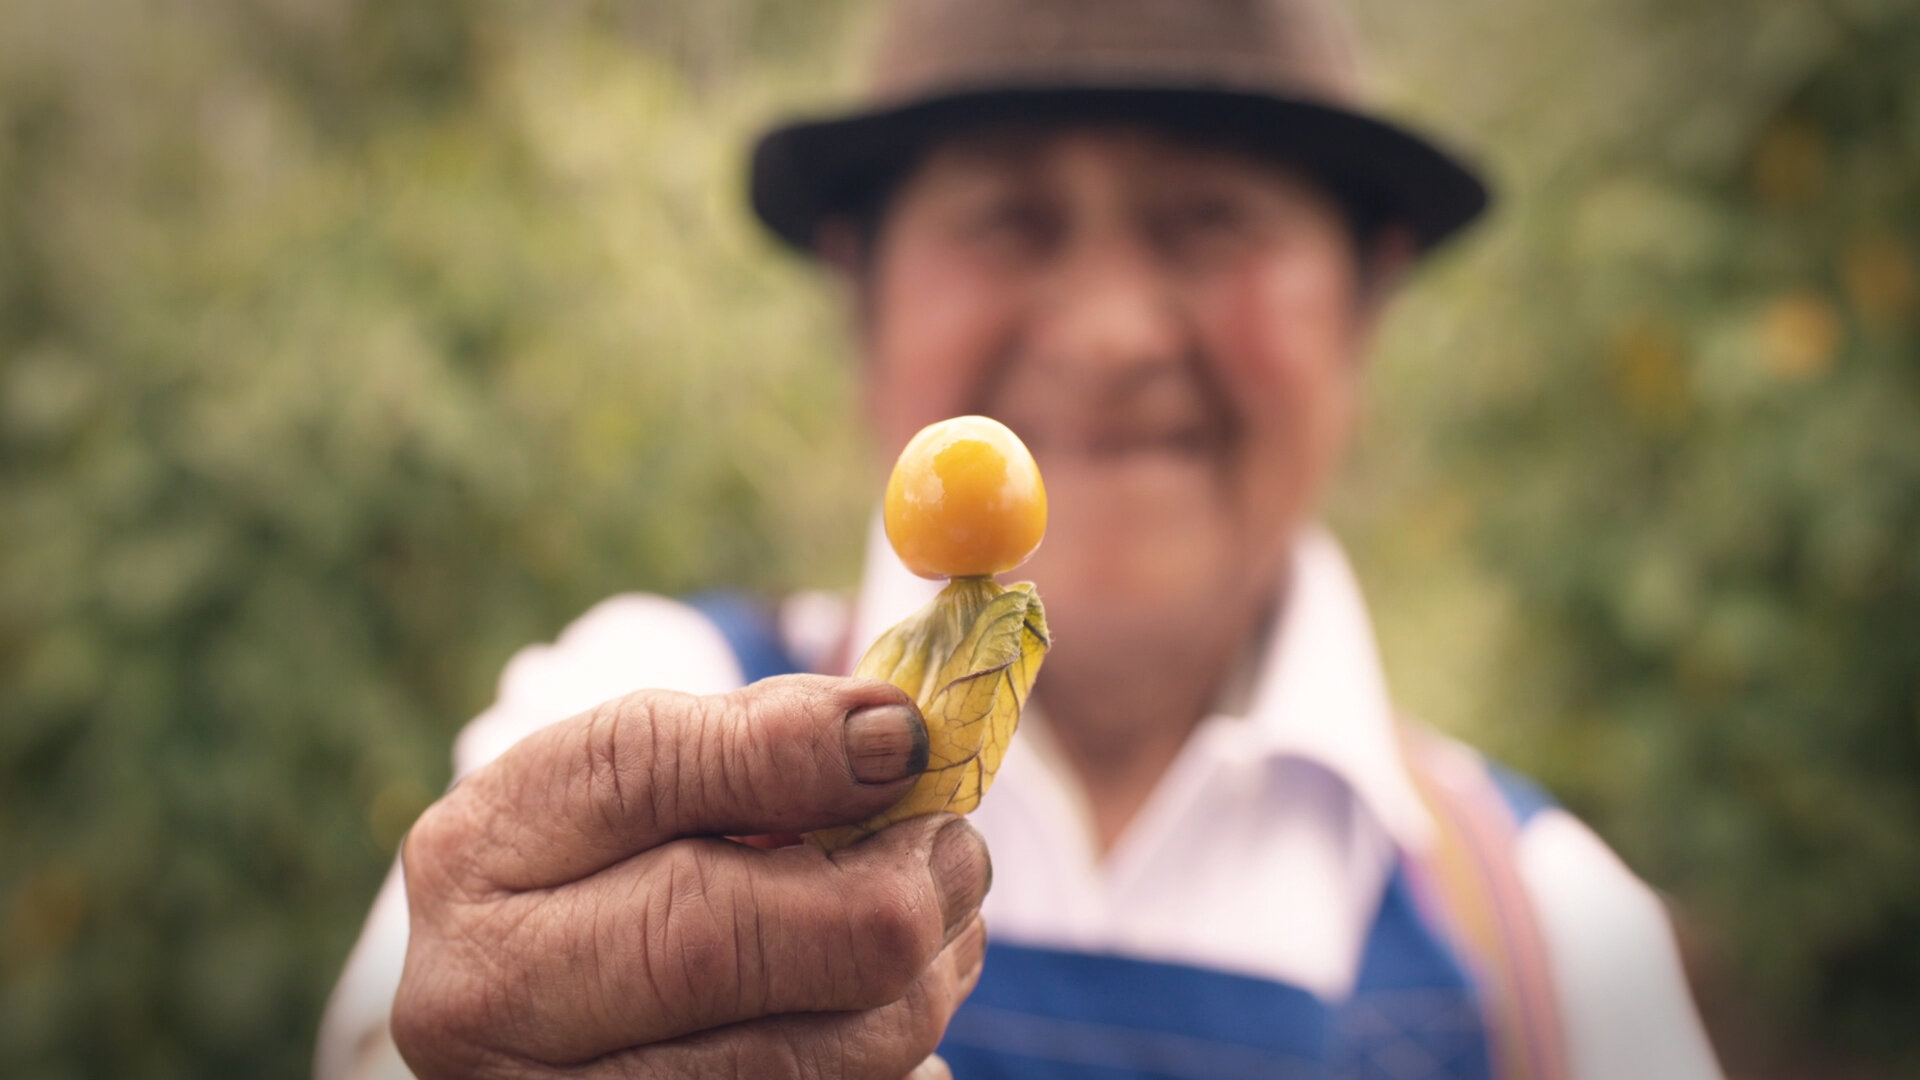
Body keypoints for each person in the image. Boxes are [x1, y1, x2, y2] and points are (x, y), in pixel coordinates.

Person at [317, 1, 1726, 1078]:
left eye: (1207, 219)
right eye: (1008, 218)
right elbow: (390, 1035)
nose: (1111, 335)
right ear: (856, 291)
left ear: (1366, 298)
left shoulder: (1560, 941)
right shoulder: (626, 715)